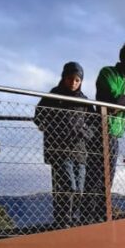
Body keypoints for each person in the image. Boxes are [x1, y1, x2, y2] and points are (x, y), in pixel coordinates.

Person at [82, 42, 125, 222]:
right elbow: (110, 98)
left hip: (116, 132)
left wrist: (122, 102)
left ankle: (100, 213)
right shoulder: (107, 72)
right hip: (101, 128)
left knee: (108, 174)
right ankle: (88, 215)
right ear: (124, 59)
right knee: (96, 173)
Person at [34, 61, 94, 226]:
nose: (73, 83)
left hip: (79, 150)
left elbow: (94, 124)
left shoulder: (84, 101)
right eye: (70, 79)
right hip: (59, 149)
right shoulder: (54, 95)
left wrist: (84, 132)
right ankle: (63, 219)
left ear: (81, 81)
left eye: (77, 80)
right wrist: (54, 130)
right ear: (63, 78)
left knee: (79, 189)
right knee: (68, 186)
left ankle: (72, 217)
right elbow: (39, 117)